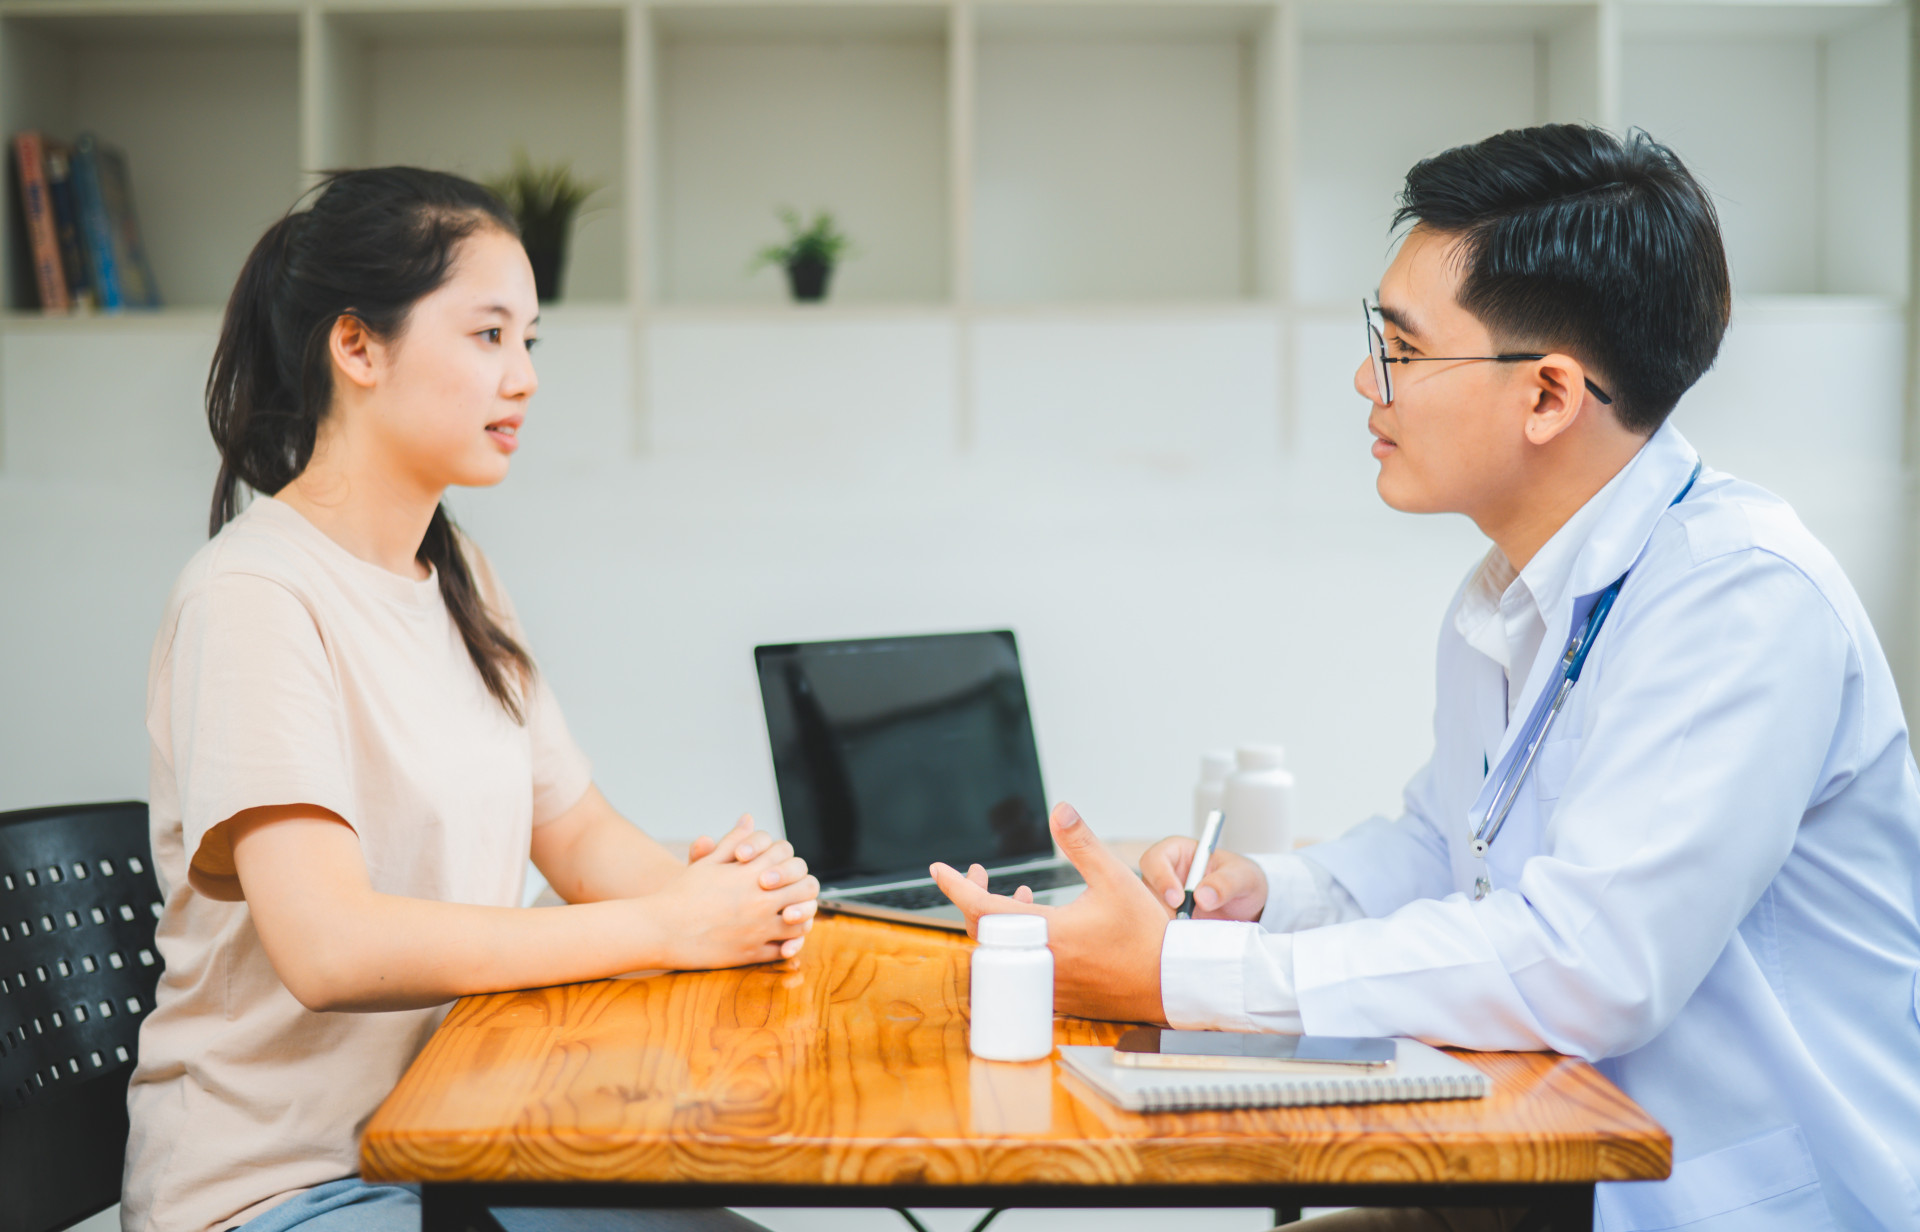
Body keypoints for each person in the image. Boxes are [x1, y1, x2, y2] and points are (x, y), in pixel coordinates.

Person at [932, 125, 1920, 1230]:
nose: (1367, 379)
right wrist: (1263, 893)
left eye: (1399, 346)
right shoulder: (1508, 593)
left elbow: (1589, 962)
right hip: (1537, 1166)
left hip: (1730, 1204)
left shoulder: (1740, 601)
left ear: (1548, 395)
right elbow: (1447, 845)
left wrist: (1180, 973)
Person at [125, 168, 819, 1232]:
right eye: (489, 335)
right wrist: (665, 927)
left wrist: (729, 897)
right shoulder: (253, 594)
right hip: (284, 1187)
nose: (526, 376)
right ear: (356, 346)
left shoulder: (462, 578)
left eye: (531, 341)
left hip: (465, 1144)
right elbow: (330, 946)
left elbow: (577, 834)